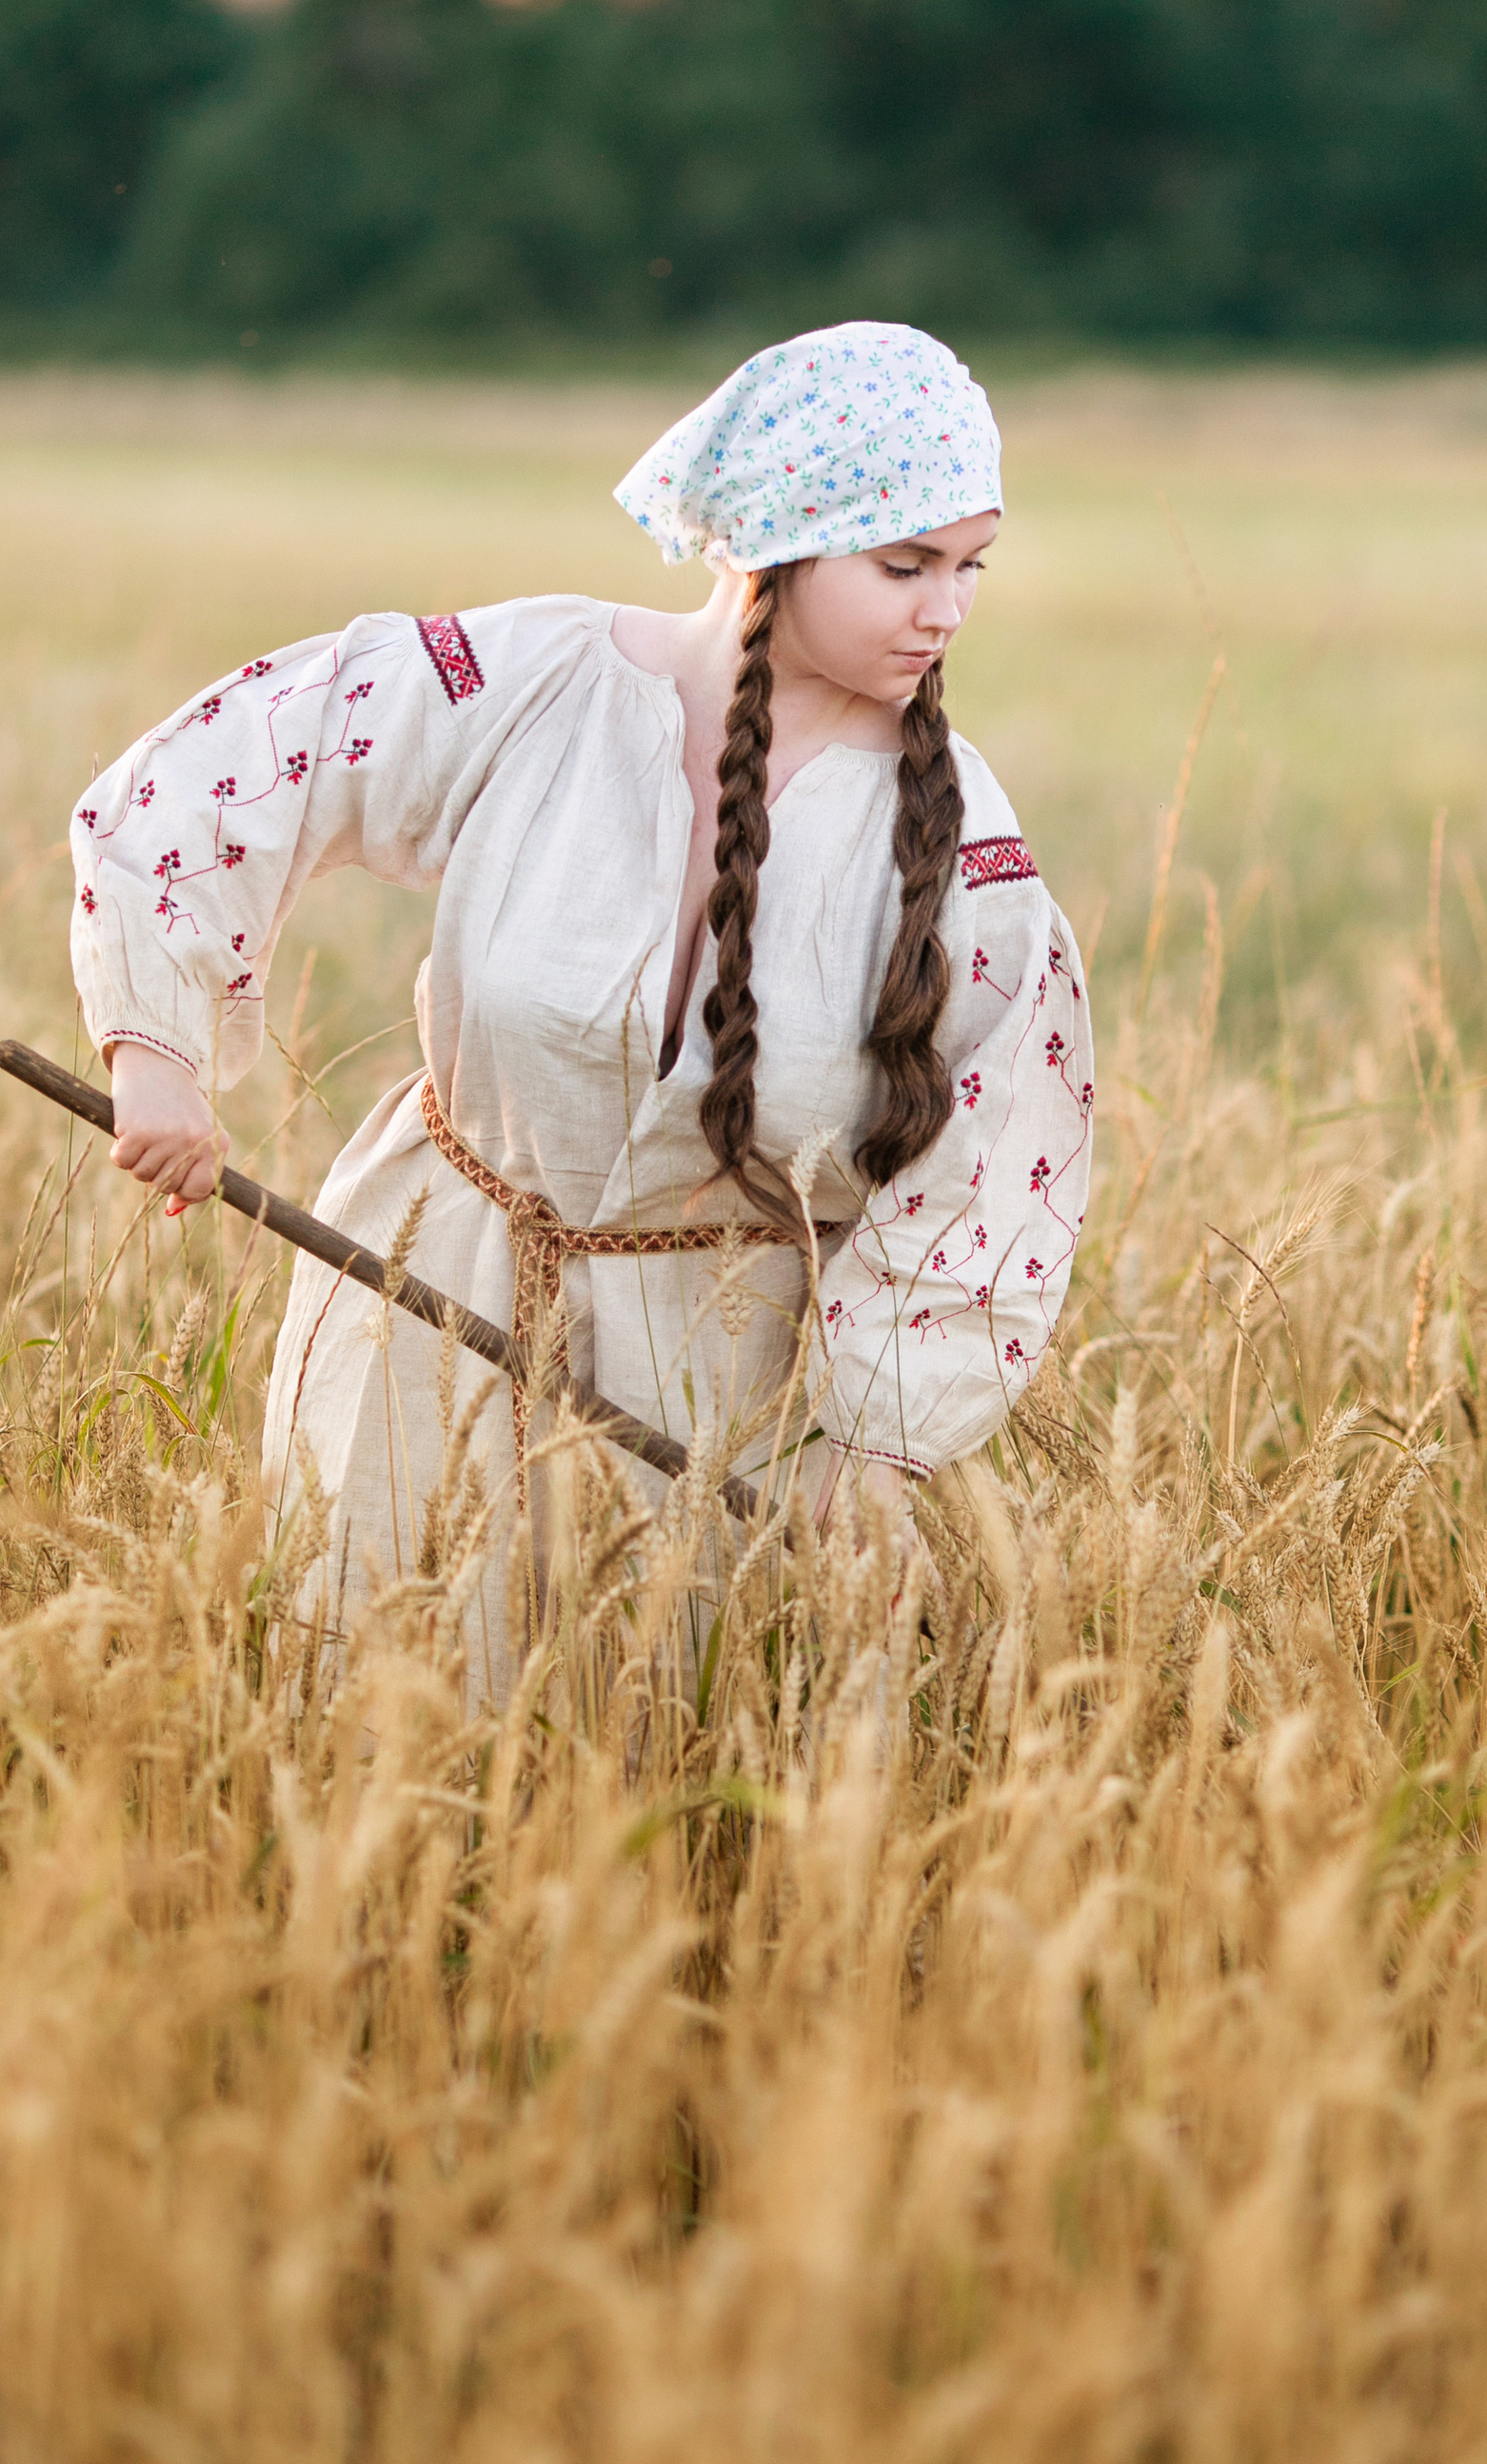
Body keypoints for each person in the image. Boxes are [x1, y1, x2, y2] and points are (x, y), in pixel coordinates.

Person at [69, 322, 1094, 1679]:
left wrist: (876, 1440)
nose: (946, 611)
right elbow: (246, 758)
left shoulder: (963, 841)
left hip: (734, 1394)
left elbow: (1009, 1148)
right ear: (772, 537)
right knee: (387, 1725)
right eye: (905, 565)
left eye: (971, 567)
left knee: (682, 1754)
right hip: (425, 1322)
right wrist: (157, 1048)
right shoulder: (539, 682)